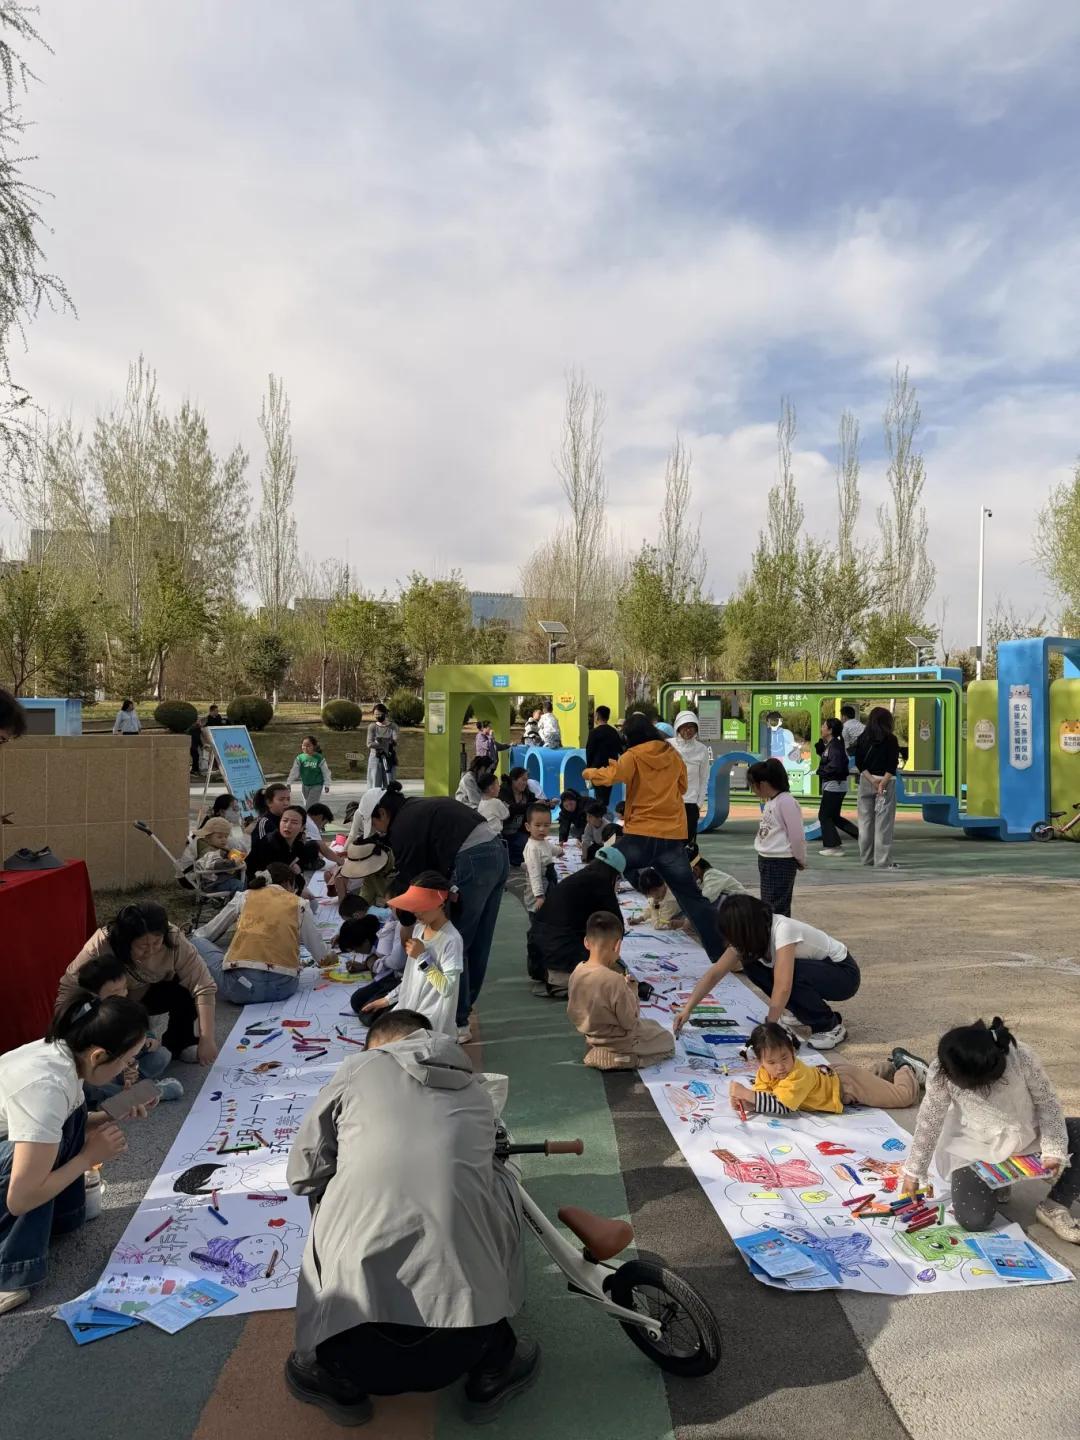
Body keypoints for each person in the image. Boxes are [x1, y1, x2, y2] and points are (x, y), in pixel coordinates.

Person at [285, 1011, 533, 1427]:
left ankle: (336, 1383)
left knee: (326, 1191)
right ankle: (495, 1369)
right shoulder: (477, 1091)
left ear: (377, 1046)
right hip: (465, 1348)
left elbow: (302, 1176)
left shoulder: (358, 1068)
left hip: (352, 1353)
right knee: (497, 1182)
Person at [0, 991, 153, 1315]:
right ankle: (9, 1272)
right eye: (126, 1060)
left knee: (56, 1137)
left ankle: (58, 1218)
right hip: (14, 1170)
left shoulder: (66, 1055)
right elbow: (21, 1198)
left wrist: (116, 1110)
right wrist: (87, 1157)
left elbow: (72, 1120)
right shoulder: (46, 1086)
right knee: (40, 1159)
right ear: (98, 1056)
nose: (128, 1068)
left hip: (19, 1136)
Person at [901, 1018, 1080, 1243]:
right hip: (978, 1148)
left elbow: (1047, 1102)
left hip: (1028, 1135)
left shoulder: (1020, 1057)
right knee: (973, 1220)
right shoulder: (942, 1070)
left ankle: (1055, 1205)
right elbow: (929, 1121)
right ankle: (998, 1182)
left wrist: (1053, 1149)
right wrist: (913, 1172)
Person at [360, 785, 509, 1038]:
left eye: (375, 824)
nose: (379, 831)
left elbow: (414, 880)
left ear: (382, 813)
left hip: (473, 861)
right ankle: (462, 1011)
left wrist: (406, 921)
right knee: (478, 941)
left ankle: (458, 1021)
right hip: (496, 853)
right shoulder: (417, 808)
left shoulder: (402, 826)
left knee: (456, 942)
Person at [583, 712, 723, 962]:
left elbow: (612, 776)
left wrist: (589, 773)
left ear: (629, 737)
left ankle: (598, 942)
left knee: (602, 868)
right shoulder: (673, 754)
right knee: (692, 898)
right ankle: (721, 953)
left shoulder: (633, 756)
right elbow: (682, 787)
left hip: (640, 835)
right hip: (671, 837)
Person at [673, 893, 858, 1050]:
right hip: (817, 970)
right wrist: (688, 1009)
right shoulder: (748, 939)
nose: (732, 941)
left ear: (746, 929)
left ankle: (829, 1026)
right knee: (751, 965)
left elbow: (783, 986)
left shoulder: (783, 930)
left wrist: (769, 1028)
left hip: (843, 975)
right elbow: (715, 973)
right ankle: (802, 1012)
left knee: (790, 974)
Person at [58, 903, 219, 1066]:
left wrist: (207, 1039)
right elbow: (69, 985)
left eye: (157, 942)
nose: (151, 950)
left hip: (148, 994)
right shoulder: (100, 946)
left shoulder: (174, 938)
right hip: (110, 1009)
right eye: (143, 946)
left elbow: (203, 985)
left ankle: (178, 1043)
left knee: (183, 991)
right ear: (125, 941)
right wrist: (61, 1036)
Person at [191, 863, 328, 1004]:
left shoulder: (245, 896)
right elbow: (320, 954)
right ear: (288, 883)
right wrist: (331, 957)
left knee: (196, 942)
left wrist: (193, 936)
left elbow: (211, 930)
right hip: (284, 988)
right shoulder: (300, 904)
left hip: (241, 988)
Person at [727, 1021, 924, 1119]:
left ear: (793, 1052)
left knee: (904, 1097)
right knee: (871, 1083)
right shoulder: (765, 1072)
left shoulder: (797, 1073)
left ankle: (905, 1066)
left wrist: (747, 1094)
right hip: (833, 1078)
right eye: (771, 1062)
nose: (780, 1067)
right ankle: (887, 1069)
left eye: (785, 1058)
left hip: (846, 1084)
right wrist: (749, 1103)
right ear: (760, 1062)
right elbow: (766, 1096)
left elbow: (782, 1105)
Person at [567, 910, 674, 1071]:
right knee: (667, 1040)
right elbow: (629, 1022)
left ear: (586, 942)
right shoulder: (614, 980)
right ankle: (626, 1059)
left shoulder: (577, 971)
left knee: (652, 1024)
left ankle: (596, 1048)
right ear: (617, 945)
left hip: (592, 1035)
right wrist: (631, 992)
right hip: (620, 1042)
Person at [69, 954, 184, 1104]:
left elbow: (140, 1030)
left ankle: (130, 1089)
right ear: (94, 995)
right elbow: (91, 1065)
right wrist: (122, 1068)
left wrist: (149, 1040)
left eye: (124, 988)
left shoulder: (123, 1007)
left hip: (123, 1063)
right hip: (101, 1071)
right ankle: (144, 1094)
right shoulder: (87, 1019)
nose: (123, 994)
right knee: (88, 1087)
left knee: (162, 1055)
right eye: (115, 993)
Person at [359, 875, 464, 1038]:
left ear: (440, 904)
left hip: (431, 1026)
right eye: (414, 906)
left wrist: (422, 957)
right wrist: (387, 1000)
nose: (415, 912)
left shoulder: (451, 939)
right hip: (410, 1013)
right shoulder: (419, 928)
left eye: (421, 906)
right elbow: (410, 978)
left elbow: (447, 989)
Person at [528, 845, 626, 996]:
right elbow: (617, 927)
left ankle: (558, 976)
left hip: (538, 957)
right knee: (615, 976)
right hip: (557, 957)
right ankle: (562, 981)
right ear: (614, 875)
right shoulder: (601, 884)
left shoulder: (580, 878)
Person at [749, 758, 805, 917]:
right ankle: (772, 931)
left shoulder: (786, 802)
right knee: (770, 905)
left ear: (763, 784)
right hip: (768, 859)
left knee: (777, 907)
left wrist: (800, 858)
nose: (752, 790)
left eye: (753, 785)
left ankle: (778, 932)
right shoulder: (772, 801)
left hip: (780, 861)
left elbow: (796, 835)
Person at [854, 707, 901, 869]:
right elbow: (892, 764)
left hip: (866, 781)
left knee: (865, 822)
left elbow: (859, 762)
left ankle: (866, 859)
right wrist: (882, 783)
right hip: (886, 783)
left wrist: (872, 780)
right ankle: (882, 861)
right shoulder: (891, 739)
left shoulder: (863, 738)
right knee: (883, 823)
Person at [245, 804, 323, 883]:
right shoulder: (270, 843)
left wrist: (298, 868)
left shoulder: (297, 845)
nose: (288, 825)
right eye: (285, 821)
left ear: (302, 828)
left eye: (294, 822)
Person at [815, 717, 859, 856]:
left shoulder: (835, 746)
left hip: (834, 786)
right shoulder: (834, 744)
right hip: (837, 785)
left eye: (824, 726)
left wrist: (821, 771)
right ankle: (863, 837)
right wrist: (821, 749)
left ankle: (833, 847)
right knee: (834, 817)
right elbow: (830, 759)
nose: (821, 728)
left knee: (824, 816)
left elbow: (836, 766)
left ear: (830, 730)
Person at [669, 710, 711, 847]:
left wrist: (699, 803)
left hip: (691, 804)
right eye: (684, 726)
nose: (688, 730)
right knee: (669, 842)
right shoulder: (668, 746)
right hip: (670, 803)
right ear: (678, 727)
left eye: (691, 727)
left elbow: (704, 778)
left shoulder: (702, 749)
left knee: (688, 845)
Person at [523, 803, 563, 916]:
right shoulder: (532, 848)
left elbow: (551, 848)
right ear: (528, 827)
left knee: (549, 909)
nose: (542, 829)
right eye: (537, 825)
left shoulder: (543, 841)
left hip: (548, 881)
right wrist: (539, 896)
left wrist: (560, 851)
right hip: (538, 887)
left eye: (546, 825)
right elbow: (534, 874)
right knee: (538, 914)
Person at [187, 816, 244, 894]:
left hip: (220, 879)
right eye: (219, 837)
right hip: (212, 883)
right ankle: (238, 900)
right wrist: (233, 862)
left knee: (243, 878)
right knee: (238, 885)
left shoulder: (217, 847)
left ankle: (242, 896)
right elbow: (216, 863)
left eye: (226, 836)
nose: (224, 839)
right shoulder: (208, 852)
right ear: (208, 838)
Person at [584, 705, 623, 811]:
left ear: (597, 715)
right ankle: (603, 813)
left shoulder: (594, 733)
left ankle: (601, 816)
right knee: (605, 796)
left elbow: (589, 752)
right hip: (610, 769)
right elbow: (620, 750)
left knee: (599, 797)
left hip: (597, 769)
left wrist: (588, 768)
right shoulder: (613, 732)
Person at [498, 767, 533, 866]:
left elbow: (535, 800)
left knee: (530, 844)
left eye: (526, 780)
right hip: (502, 833)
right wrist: (531, 805)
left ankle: (516, 861)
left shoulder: (526, 793)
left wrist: (548, 803)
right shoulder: (503, 792)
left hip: (518, 832)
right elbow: (511, 809)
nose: (525, 783)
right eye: (523, 780)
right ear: (513, 780)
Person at [289, 735, 332, 810]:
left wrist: (327, 784)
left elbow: (326, 772)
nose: (305, 748)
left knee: (309, 806)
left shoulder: (319, 758)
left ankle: (308, 816)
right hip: (305, 785)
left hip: (317, 785)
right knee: (309, 804)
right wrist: (289, 782)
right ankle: (317, 813)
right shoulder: (300, 758)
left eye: (308, 746)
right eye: (303, 745)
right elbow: (294, 771)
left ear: (314, 746)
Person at [366, 704, 399, 788]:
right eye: (375, 714)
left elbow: (395, 741)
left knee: (389, 784)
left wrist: (380, 742)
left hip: (389, 758)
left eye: (379, 714)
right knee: (374, 785)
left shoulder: (393, 726)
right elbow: (369, 744)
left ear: (385, 714)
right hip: (375, 758)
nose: (377, 716)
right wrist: (386, 743)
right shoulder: (372, 727)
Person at [477, 771, 509, 839]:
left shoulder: (481, 802)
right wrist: (506, 806)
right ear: (491, 788)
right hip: (495, 836)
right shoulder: (496, 802)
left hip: (484, 835)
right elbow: (506, 815)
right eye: (498, 784)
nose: (499, 787)